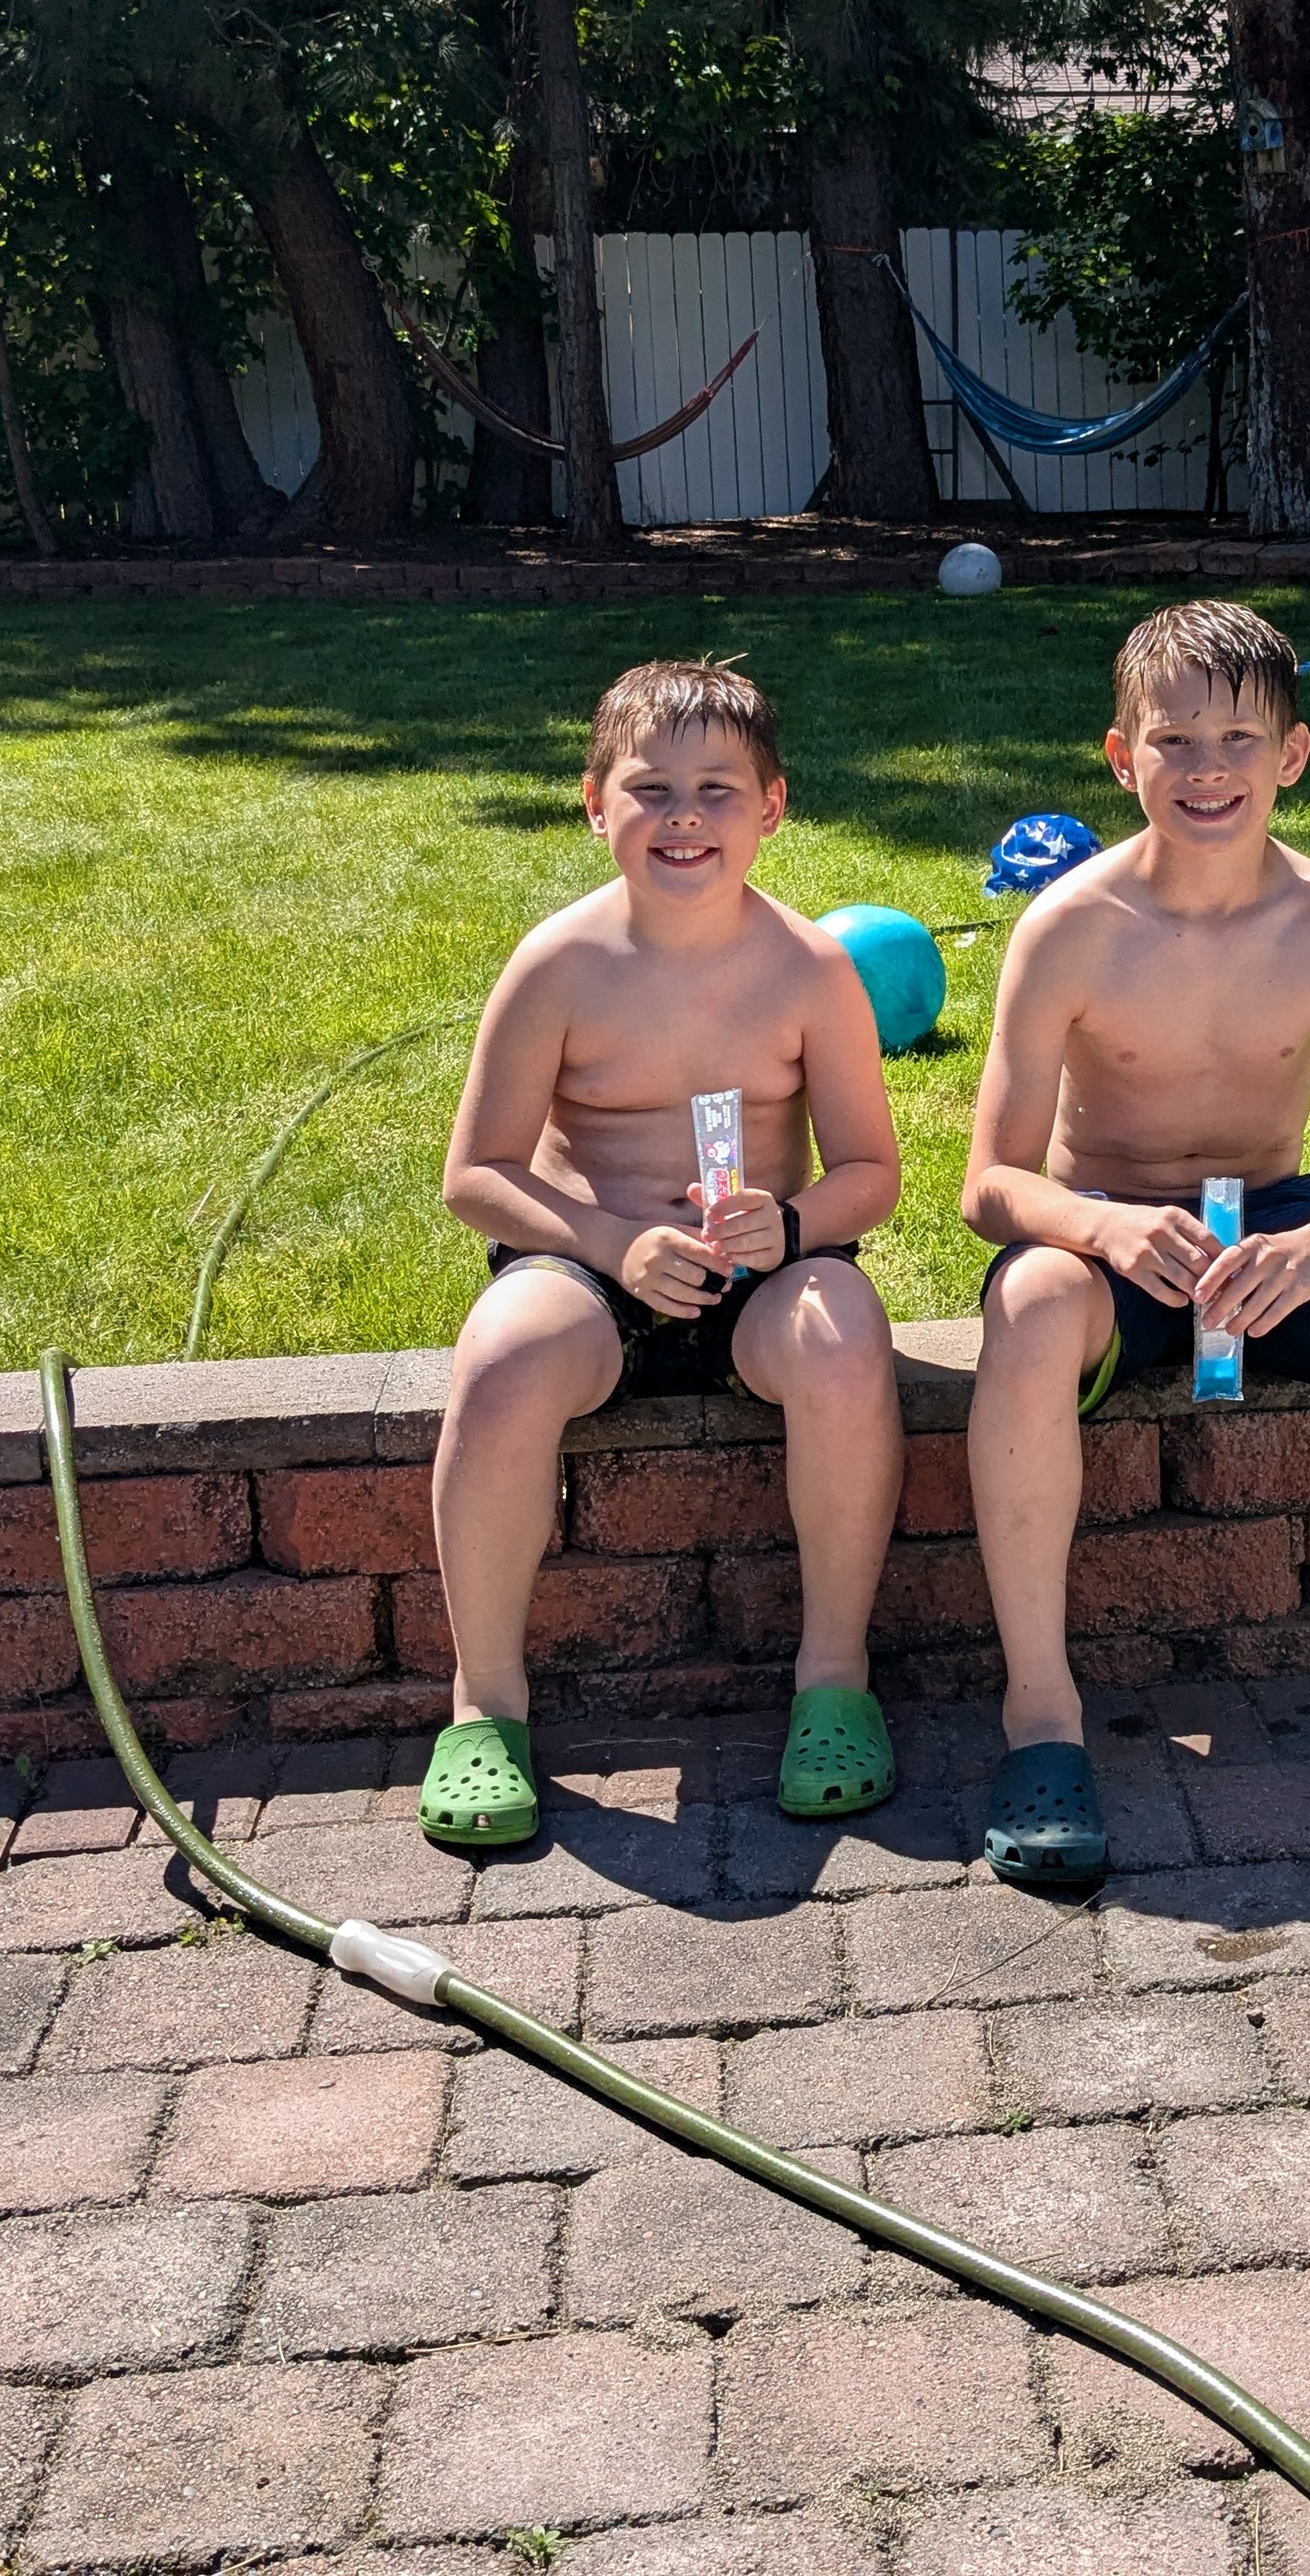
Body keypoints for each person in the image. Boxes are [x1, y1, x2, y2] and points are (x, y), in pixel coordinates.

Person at [962, 599, 1310, 1882]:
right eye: (1174, 741)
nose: (1206, 768)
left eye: (1238, 739)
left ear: (1293, 754)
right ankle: (1041, 1716)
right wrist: (1105, 1226)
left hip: (1276, 1234)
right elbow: (990, 1186)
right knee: (1031, 1304)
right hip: (1110, 1240)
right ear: (1122, 757)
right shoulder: (1066, 925)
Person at [421, 656, 904, 1847]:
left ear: (772, 807)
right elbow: (476, 1174)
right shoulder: (559, 966)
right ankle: (485, 1702)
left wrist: (791, 1226)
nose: (684, 817)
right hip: (591, 1270)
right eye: (651, 790)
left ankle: (834, 1680)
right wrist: (612, 1241)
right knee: (502, 1359)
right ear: (596, 805)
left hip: (759, 1274)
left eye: (716, 790)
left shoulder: (810, 968)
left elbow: (872, 1172)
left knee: (845, 1340)